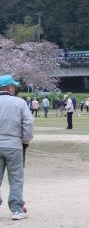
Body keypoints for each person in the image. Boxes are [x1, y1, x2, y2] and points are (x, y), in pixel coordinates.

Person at [0, 74, 34, 220]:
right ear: (10, 87)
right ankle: (17, 209)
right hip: (14, 144)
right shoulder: (19, 102)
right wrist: (25, 140)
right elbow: (28, 123)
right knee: (16, 179)